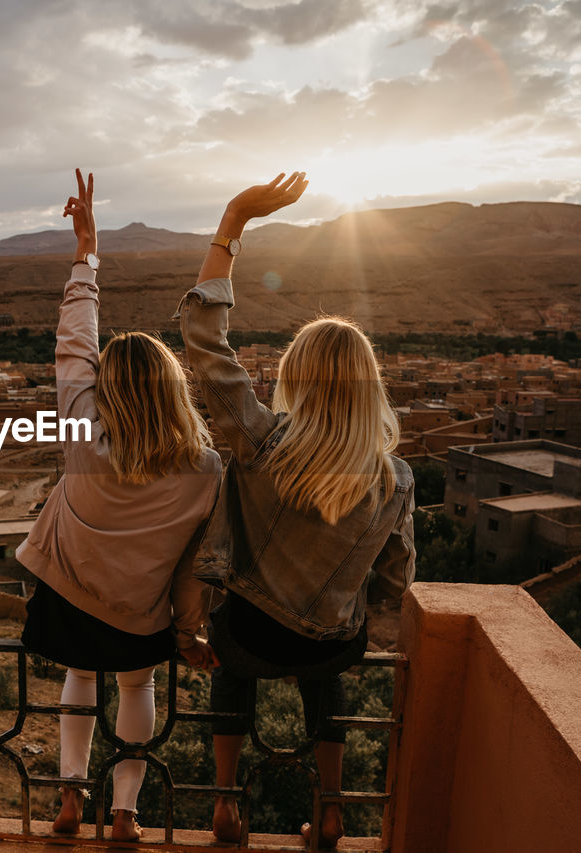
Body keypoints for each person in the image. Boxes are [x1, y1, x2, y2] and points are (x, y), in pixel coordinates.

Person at [176, 172, 416, 849]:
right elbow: (399, 581)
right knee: (330, 669)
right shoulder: (395, 478)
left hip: (248, 635)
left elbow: (203, 343)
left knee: (231, 654)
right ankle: (333, 808)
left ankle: (225, 803)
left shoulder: (261, 442)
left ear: (296, 376)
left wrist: (232, 223)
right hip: (331, 644)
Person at [18, 168, 222, 842]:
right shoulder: (203, 467)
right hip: (138, 617)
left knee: (80, 678)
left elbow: (74, 346)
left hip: (67, 601)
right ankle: (127, 814)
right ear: (172, 390)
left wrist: (87, 256)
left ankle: (70, 799)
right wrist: (190, 629)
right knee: (136, 688)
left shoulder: (81, 429)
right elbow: (196, 563)